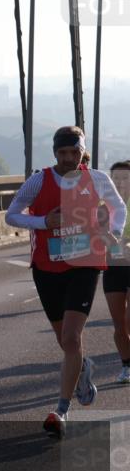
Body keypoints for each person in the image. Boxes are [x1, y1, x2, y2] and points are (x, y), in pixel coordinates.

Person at [5, 126, 126, 436]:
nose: (69, 158)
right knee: (65, 341)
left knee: (72, 339)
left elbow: (118, 208)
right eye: (62, 152)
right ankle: (82, 367)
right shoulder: (38, 181)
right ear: (55, 153)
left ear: (82, 152)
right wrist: (43, 221)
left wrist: (113, 233)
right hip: (46, 267)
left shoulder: (96, 179)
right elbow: (12, 215)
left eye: (74, 152)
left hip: (85, 263)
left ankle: (61, 410)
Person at [103, 160, 130, 384]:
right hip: (113, 267)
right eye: (116, 179)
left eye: (125, 178)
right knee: (119, 324)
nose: (120, 183)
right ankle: (127, 366)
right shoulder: (103, 208)